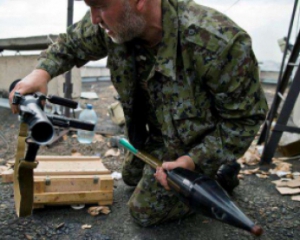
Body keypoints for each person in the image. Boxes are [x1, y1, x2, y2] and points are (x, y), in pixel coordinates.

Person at [9, 0, 268, 227]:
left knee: (143, 211)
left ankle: (218, 173)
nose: (94, 19)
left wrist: (195, 159)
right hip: (156, 135)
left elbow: (246, 119)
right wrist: (40, 73)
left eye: (100, 6)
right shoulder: (115, 25)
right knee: (131, 176)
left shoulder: (217, 42)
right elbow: (72, 43)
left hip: (196, 144)